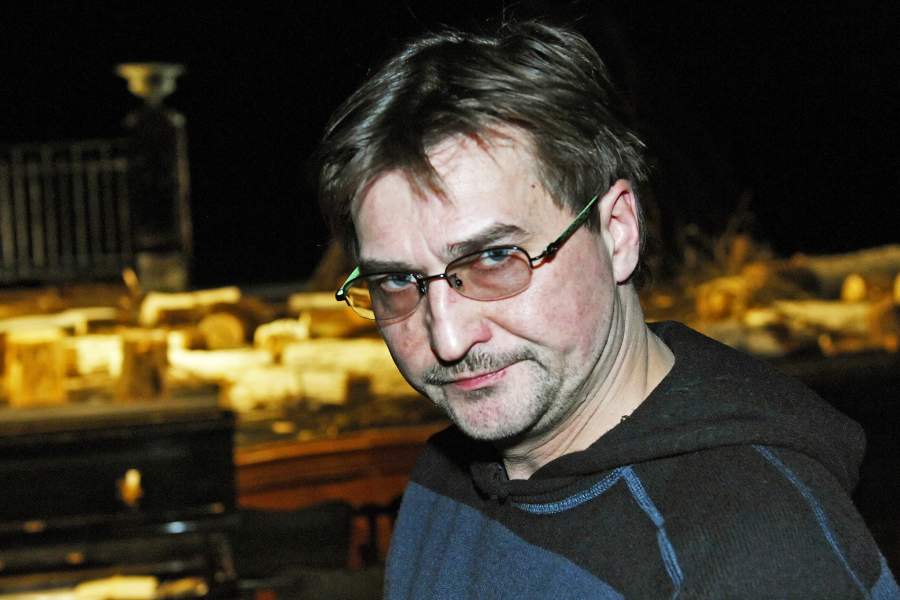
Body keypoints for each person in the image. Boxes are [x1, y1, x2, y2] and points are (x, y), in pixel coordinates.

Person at [315, 20, 898, 599]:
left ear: (617, 232)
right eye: (398, 280)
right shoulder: (444, 480)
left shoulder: (756, 560)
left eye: (495, 257)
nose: (447, 338)